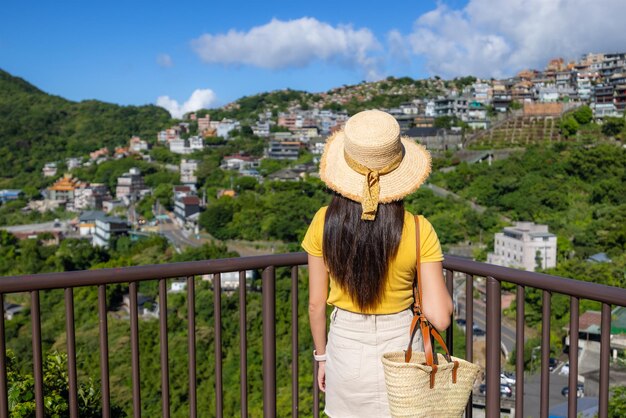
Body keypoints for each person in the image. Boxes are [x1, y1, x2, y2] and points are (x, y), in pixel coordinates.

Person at [302, 110, 453, 417]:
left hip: (345, 345)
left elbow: (316, 305)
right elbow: (441, 318)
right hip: (402, 351)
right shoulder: (419, 229)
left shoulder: (322, 222)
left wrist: (322, 358)